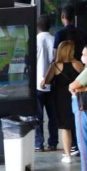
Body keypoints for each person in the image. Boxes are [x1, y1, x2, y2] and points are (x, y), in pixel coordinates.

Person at [41, 40, 83, 163]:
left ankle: (67, 154)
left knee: (65, 127)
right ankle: (80, 149)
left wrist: (42, 83)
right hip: (76, 96)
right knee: (77, 124)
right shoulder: (78, 64)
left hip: (60, 99)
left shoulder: (55, 66)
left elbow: (46, 82)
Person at [34, 15, 58, 152]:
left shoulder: (35, 41)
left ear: (37, 26)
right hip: (51, 83)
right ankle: (53, 142)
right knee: (52, 115)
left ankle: (38, 143)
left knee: (38, 116)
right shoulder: (54, 40)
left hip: (37, 83)